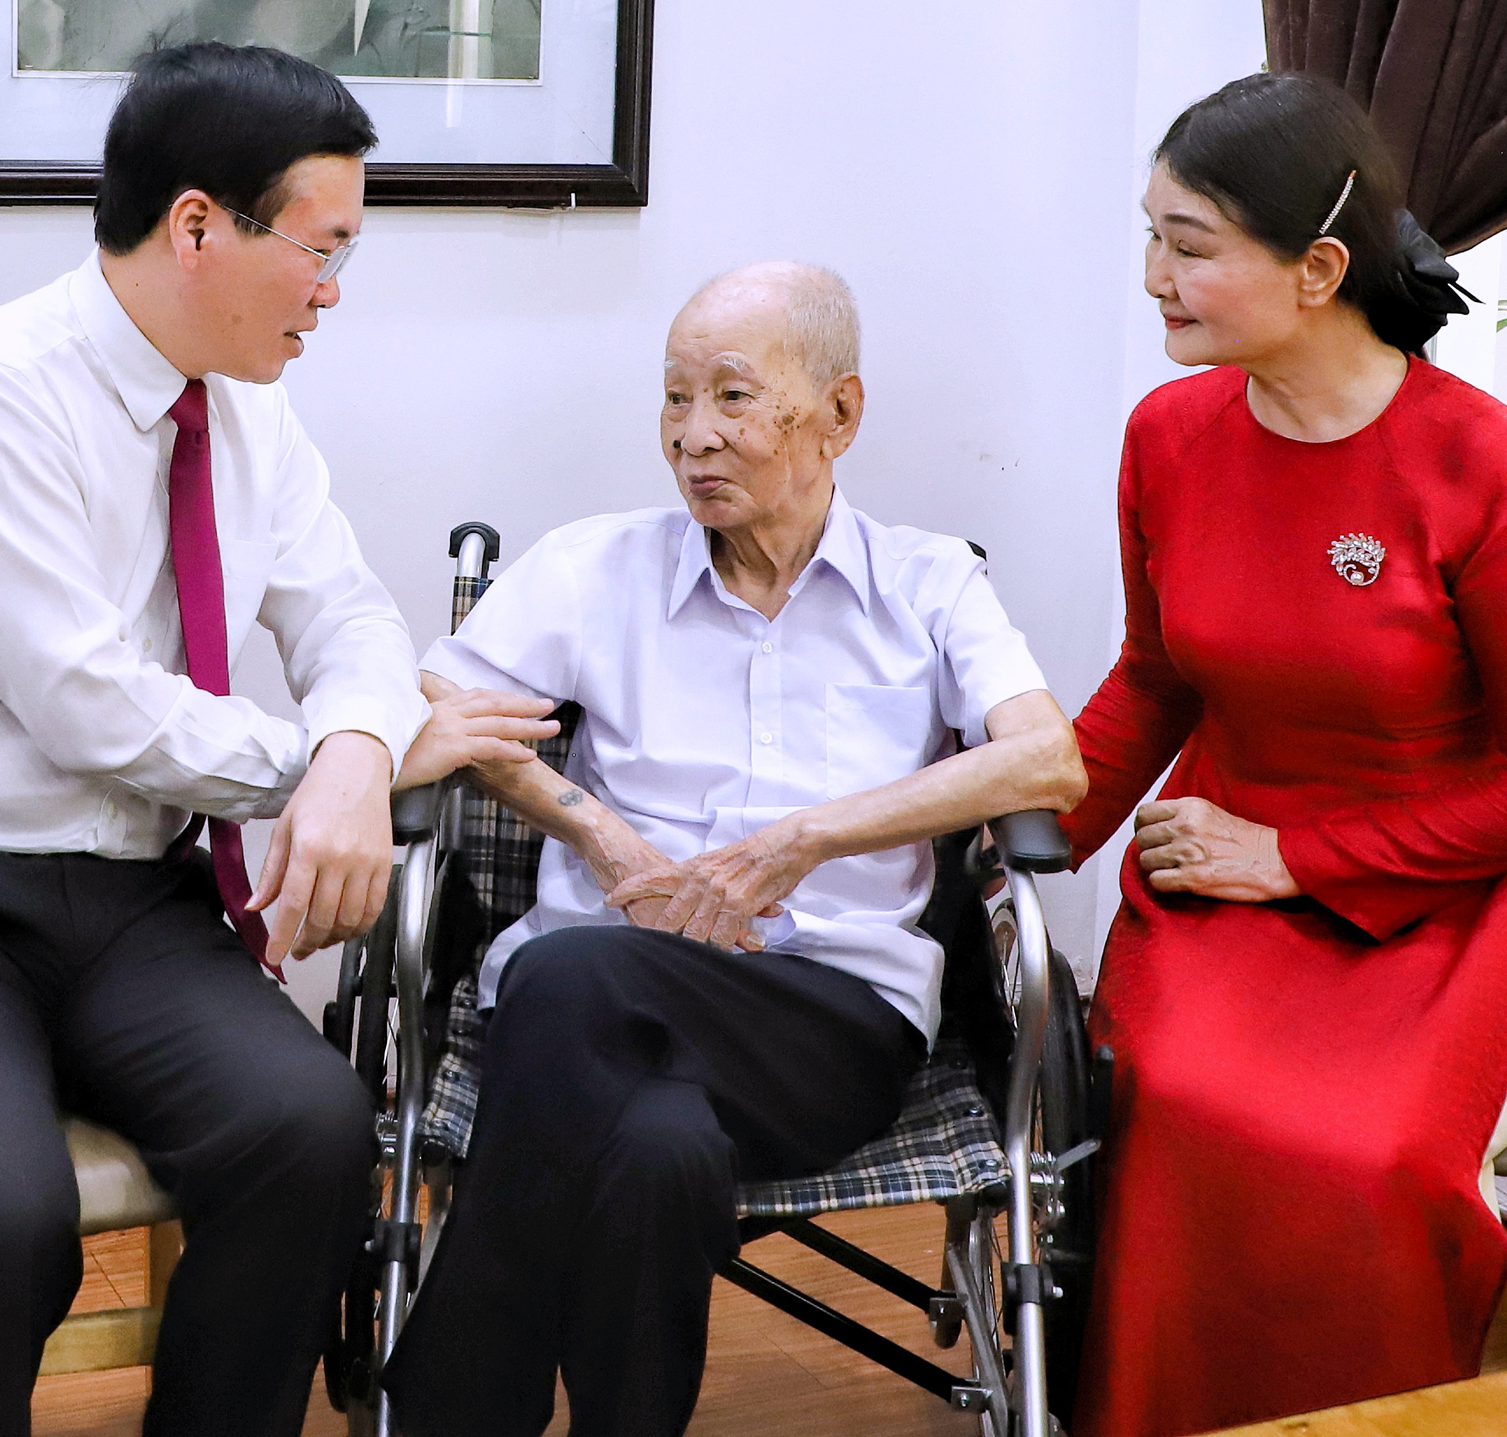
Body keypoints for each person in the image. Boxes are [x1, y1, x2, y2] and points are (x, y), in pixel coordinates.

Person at [0, 41, 558, 1437]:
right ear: (198, 224)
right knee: (1, 1210)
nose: (330, 294)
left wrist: (360, 755)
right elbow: (84, 702)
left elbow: (352, 617)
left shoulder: (252, 407)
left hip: (131, 908)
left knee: (308, 1136)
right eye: (321, 251)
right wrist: (311, 766)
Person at [382, 261, 1085, 1437]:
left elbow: (1045, 761)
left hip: (825, 1021)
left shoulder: (928, 583)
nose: (692, 435)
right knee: (658, 1150)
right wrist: (595, 832)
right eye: (672, 398)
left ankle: (455, 1408)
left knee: (562, 971)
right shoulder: (593, 566)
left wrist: (803, 840)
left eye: (733, 397)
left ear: (841, 413)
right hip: (602, 1003)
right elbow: (432, 709)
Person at [1065, 74, 1507, 1435]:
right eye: (1150, 236)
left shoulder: (1482, 464)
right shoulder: (1168, 439)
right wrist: (984, 846)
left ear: (1318, 269)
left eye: (1190, 246)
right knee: (1170, 1107)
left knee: (1362, 1154)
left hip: (1440, 891)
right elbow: (1149, 685)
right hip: (1220, 879)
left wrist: (1298, 860)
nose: (1153, 279)